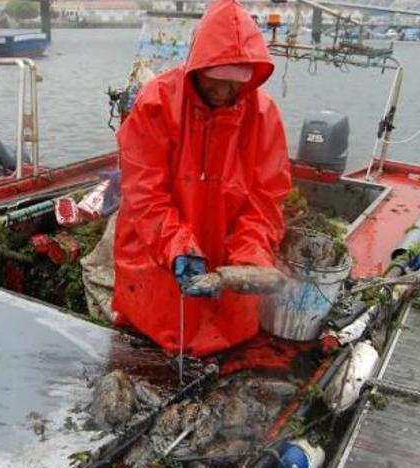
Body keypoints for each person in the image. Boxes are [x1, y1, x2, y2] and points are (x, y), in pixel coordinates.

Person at [112, 0, 291, 357]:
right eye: (217, 79)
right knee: (146, 355)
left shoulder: (264, 115)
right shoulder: (156, 103)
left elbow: (265, 202)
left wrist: (250, 257)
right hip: (156, 274)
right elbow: (145, 196)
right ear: (199, 66)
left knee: (228, 357)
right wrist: (178, 248)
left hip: (227, 291)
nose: (225, 91)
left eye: (235, 82)